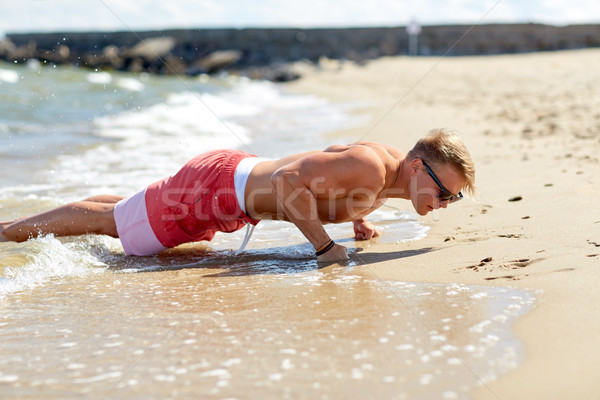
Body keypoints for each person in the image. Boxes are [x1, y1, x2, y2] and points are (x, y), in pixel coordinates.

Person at [0, 128, 475, 262]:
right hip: (221, 191)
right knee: (122, 229)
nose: (443, 204)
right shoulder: (373, 166)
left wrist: (357, 220)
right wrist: (325, 248)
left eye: (450, 199)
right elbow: (291, 180)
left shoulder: (390, 173)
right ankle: (6, 233)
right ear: (418, 166)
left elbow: (330, 160)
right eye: (443, 192)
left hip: (229, 183)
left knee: (128, 212)